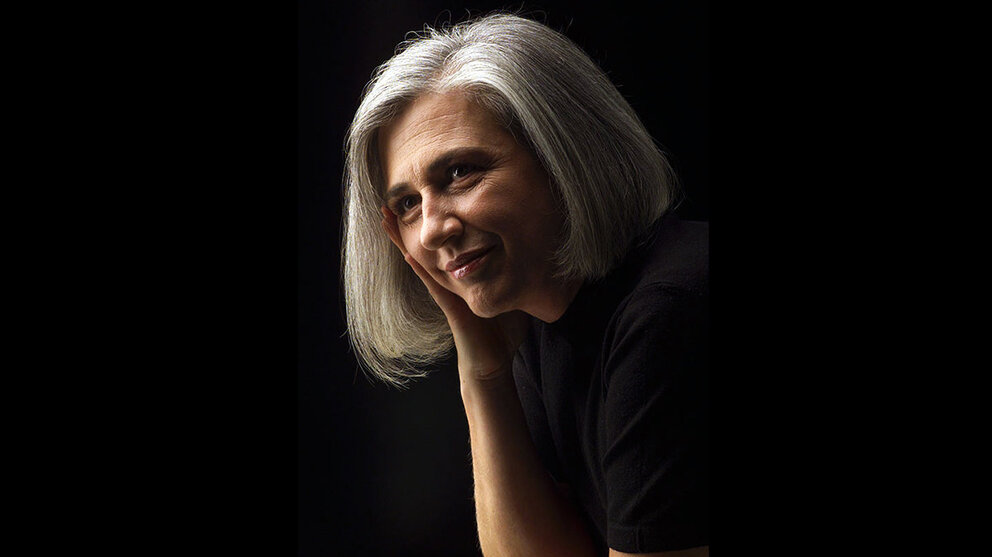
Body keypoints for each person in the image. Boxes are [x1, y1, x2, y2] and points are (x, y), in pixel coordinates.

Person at [342, 13, 708, 557]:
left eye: (460, 172)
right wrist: (483, 372)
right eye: (408, 204)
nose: (434, 227)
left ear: (564, 151)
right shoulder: (550, 321)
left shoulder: (666, 314)